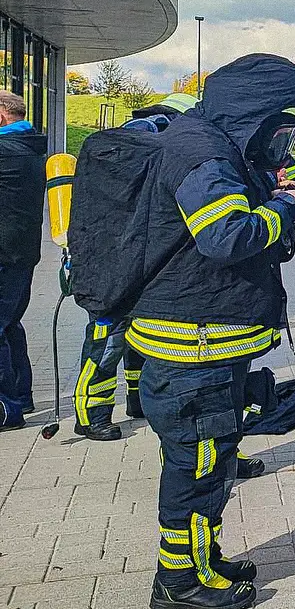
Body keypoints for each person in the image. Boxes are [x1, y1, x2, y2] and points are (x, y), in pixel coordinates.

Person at [121, 52, 295, 609]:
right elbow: (227, 236)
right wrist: (286, 206)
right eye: (283, 124)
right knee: (198, 461)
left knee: (209, 457)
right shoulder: (202, 151)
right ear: (254, 111)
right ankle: (180, 580)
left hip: (206, 336)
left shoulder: (211, 145)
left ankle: (200, 558)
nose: (287, 138)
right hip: (193, 342)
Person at [72, 93, 198, 442]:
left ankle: (137, 399)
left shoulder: (127, 143)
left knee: (136, 339)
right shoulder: (146, 145)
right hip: (117, 264)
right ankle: (90, 414)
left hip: (120, 259)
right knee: (107, 341)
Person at [0, 90, 45, 430]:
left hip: (5, 253)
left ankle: (7, 408)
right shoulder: (29, 147)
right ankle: (21, 395)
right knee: (9, 323)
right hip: (22, 253)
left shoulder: (5, 151)